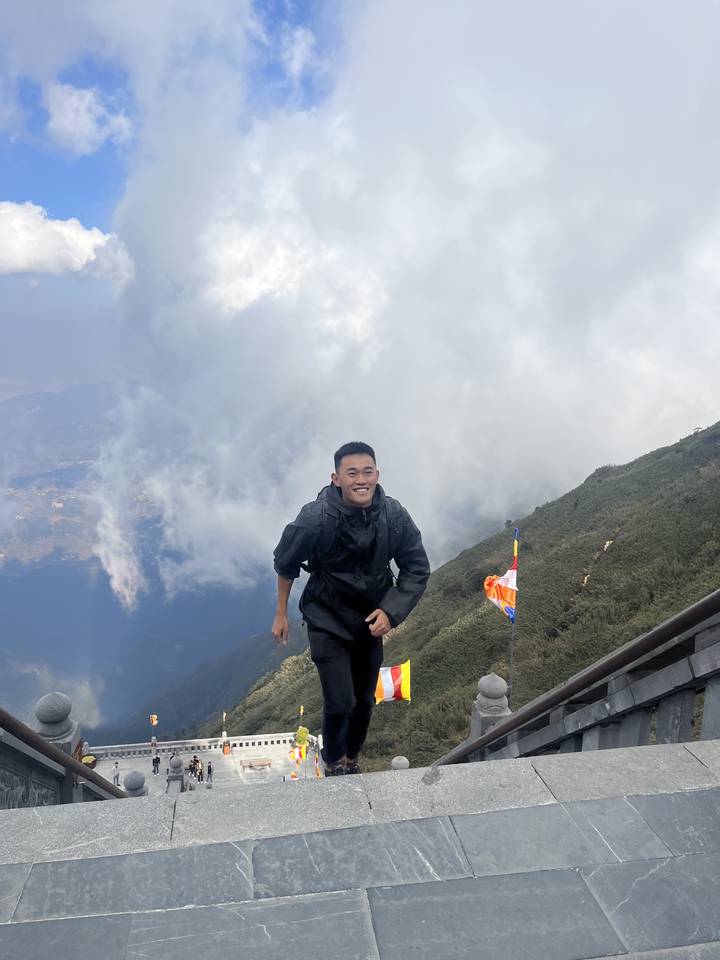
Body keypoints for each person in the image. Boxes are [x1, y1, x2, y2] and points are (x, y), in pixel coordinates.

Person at [272, 441, 430, 776]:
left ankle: (351, 758)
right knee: (341, 701)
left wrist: (391, 612)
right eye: (352, 473)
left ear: (377, 474)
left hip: (369, 619)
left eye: (367, 471)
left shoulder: (393, 514)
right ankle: (332, 761)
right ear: (336, 478)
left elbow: (416, 567)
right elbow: (285, 562)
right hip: (325, 617)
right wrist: (281, 613)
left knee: (363, 701)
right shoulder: (316, 518)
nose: (361, 479)